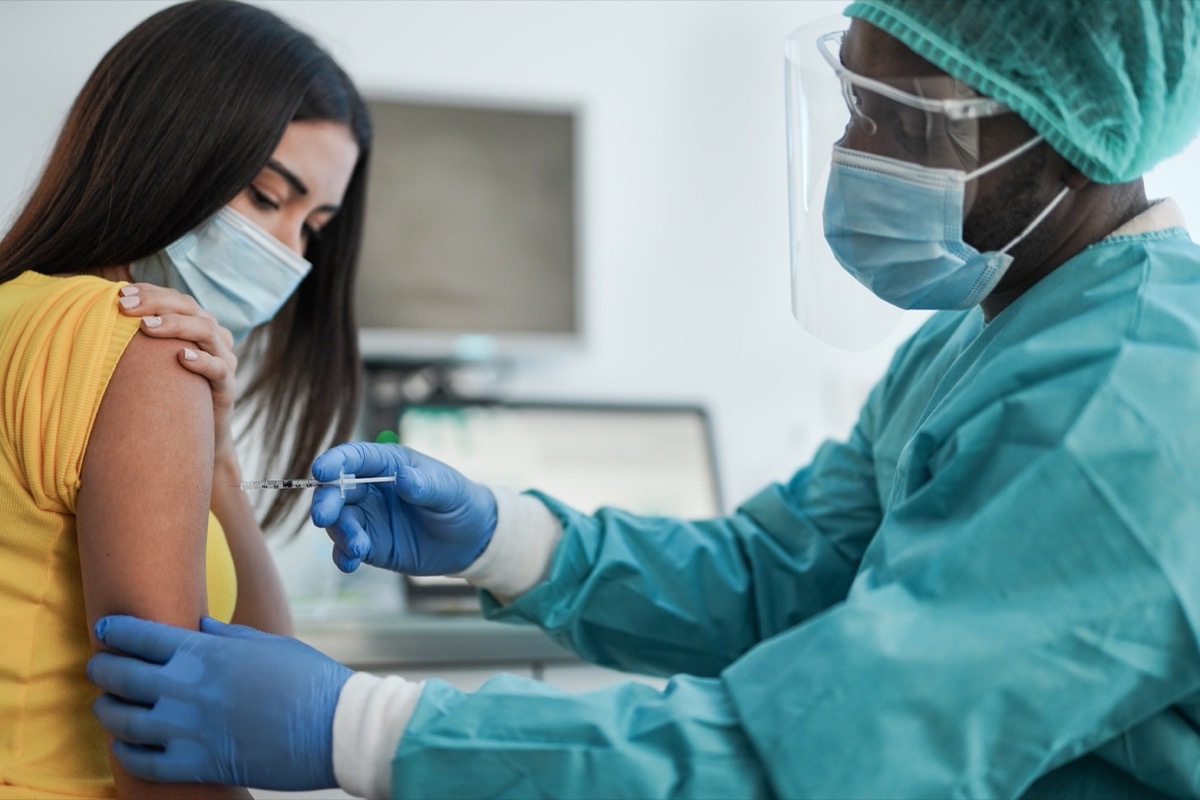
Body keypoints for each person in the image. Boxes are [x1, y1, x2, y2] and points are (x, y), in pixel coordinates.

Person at [85, 0, 1200, 797]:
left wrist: (362, 724)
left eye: (906, 126)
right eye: (857, 109)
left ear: (1069, 133)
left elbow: (831, 751)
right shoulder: (974, 338)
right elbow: (780, 580)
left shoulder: (1129, 401)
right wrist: (504, 535)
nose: (857, 156)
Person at [0, 1, 370, 797]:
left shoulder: (17, 311)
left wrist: (219, 453)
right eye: (268, 198)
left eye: (314, 225)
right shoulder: (139, 344)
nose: (287, 252)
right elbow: (181, 743)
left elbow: (253, 665)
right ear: (167, 150)